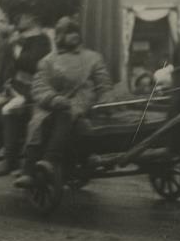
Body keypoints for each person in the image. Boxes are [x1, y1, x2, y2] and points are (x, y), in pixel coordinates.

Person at [15, 17, 113, 188]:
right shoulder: (47, 62)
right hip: (50, 109)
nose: (74, 36)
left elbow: (103, 83)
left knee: (72, 113)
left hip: (84, 106)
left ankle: (61, 158)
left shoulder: (93, 58)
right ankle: (39, 165)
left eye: (75, 31)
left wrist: (106, 98)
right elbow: (39, 86)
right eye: (68, 32)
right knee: (44, 122)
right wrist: (53, 98)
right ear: (59, 36)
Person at [0, 13, 53, 176]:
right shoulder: (18, 40)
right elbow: (4, 74)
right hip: (12, 88)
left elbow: (31, 65)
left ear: (33, 19)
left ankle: (10, 160)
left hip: (31, 89)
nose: (19, 20)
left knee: (8, 110)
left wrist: (16, 47)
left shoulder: (42, 40)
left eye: (24, 16)